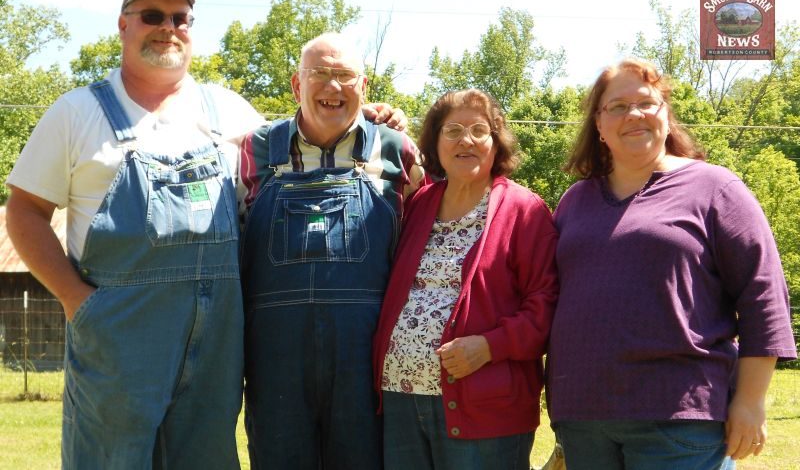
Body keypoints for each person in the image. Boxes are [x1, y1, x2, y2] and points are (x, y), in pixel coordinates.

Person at [5, 0, 405, 469]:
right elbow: (25, 210)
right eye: (152, 15)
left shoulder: (229, 112)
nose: (167, 27)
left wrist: (372, 119)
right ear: (123, 25)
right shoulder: (78, 113)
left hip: (216, 339)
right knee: (110, 458)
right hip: (121, 333)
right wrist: (76, 301)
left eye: (180, 18)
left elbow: (313, 129)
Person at [546, 59, 797, 470]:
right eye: (618, 106)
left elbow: (763, 292)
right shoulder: (575, 200)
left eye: (647, 102)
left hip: (680, 417)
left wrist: (750, 401)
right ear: (599, 124)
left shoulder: (715, 187)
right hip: (581, 417)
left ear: (665, 113)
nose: (634, 115)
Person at [238, 32, 425, 469]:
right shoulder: (255, 148)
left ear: (363, 86)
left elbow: (433, 233)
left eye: (344, 75)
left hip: (366, 357)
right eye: (319, 73)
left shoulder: (396, 149)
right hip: (274, 359)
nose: (332, 86)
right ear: (295, 85)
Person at [372, 89, 560, 469]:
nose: (466, 140)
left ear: (497, 142)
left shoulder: (524, 210)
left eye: (479, 130)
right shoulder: (419, 203)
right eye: (452, 130)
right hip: (400, 400)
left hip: (484, 408)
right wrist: (373, 118)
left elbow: (547, 304)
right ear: (435, 143)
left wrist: (489, 346)